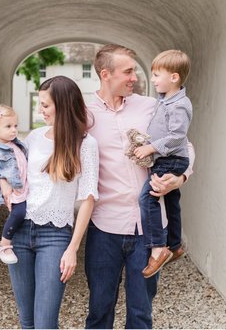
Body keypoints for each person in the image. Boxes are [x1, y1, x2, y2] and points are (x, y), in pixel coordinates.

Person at [85, 44, 194, 329]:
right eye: (129, 71)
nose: (135, 77)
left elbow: (185, 145)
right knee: (99, 310)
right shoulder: (84, 113)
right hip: (104, 228)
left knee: (141, 313)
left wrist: (180, 178)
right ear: (106, 74)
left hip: (148, 229)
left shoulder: (151, 106)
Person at [0, 75, 99, 329]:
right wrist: (6, 190)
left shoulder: (86, 145)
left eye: (45, 105)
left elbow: (88, 199)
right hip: (20, 233)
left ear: (63, 105)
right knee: (27, 321)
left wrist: (72, 249)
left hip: (55, 238)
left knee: (45, 324)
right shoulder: (33, 137)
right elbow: (14, 173)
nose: (40, 110)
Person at [130, 50, 193, 278]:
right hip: (168, 159)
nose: (153, 80)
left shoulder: (179, 105)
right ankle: (175, 245)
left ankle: (159, 249)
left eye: (157, 75)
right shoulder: (165, 100)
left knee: (148, 198)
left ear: (174, 77)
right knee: (172, 200)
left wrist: (150, 147)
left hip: (170, 159)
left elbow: (177, 136)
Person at [0, 104, 29, 265]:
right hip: (14, 190)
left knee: (25, 212)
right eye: (8, 126)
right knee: (18, 213)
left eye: (15, 126)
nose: (14, 130)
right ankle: (4, 244)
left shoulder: (17, 144)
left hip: (26, 187)